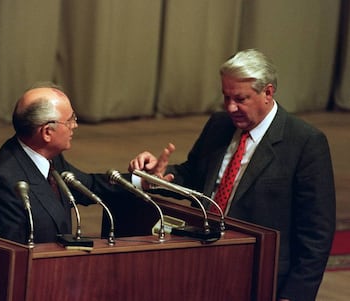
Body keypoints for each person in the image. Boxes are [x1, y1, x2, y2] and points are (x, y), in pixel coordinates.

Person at [129, 49, 336, 301]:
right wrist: (154, 177)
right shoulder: (219, 125)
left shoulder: (304, 142)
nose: (230, 107)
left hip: (259, 272)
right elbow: (193, 175)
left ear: (268, 93)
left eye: (240, 99)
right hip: (201, 259)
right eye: (226, 97)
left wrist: (295, 295)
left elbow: (316, 233)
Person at [0, 83, 123, 244]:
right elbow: (10, 254)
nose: (75, 125)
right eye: (69, 120)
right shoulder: (2, 183)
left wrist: (143, 180)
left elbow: (90, 186)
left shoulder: (51, 158)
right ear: (47, 132)